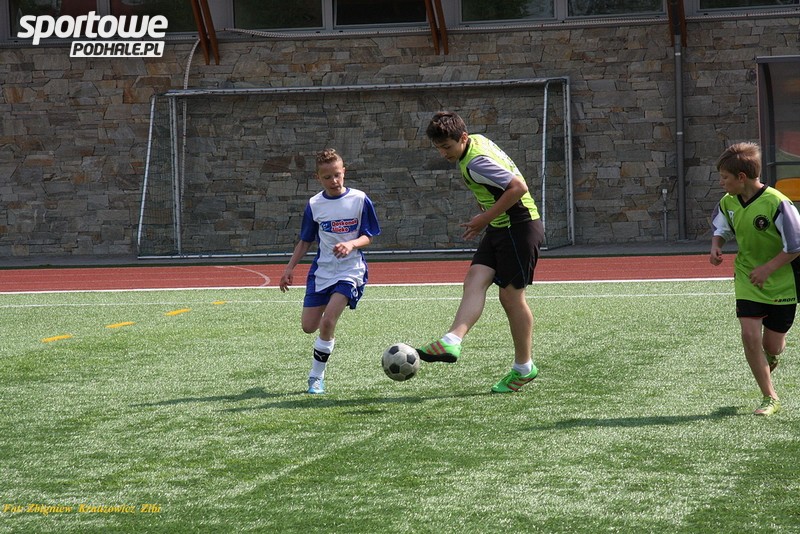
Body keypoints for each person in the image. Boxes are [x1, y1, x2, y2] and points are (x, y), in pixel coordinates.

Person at [418, 111, 545, 393]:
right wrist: (487, 212)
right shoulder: (474, 142)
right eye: (438, 148)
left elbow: (518, 187)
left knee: (511, 298)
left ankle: (524, 368)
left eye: (447, 147)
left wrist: (484, 218)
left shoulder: (476, 161)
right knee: (475, 278)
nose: (443, 153)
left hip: (518, 228)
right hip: (501, 228)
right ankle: (452, 340)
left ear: (463, 138)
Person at [710, 141, 800, 416]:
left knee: (772, 346)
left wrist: (768, 269)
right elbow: (721, 227)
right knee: (749, 336)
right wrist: (716, 245)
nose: (721, 183)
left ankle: (770, 356)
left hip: (783, 282)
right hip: (747, 277)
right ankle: (770, 397)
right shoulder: (728, 202)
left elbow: (795, 246)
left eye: (725, 177)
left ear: (741, 177)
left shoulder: (777, 203)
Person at [280, 148, 381, 394]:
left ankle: (316, 377)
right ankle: (324, 341)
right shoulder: (314, 204)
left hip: (350, 270)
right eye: (327, 177)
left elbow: (369, 236)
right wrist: (289, 268)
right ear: (318, 178)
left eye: (337, 175)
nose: (334, 181)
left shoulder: (359, 199)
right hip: (322, 272)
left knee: (328, 321)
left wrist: (351, 244)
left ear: (344, 171)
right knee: (308, 326)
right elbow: (305, 241)